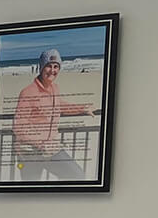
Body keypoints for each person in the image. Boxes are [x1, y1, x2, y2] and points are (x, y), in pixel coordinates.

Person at [9, 48, 97, 182]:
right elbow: (18, 127)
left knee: (77, 175)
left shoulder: (55, 88)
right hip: (30, 153)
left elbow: (60, 105)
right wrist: (40, 143)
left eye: (56, 66)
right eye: (48, 66)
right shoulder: (28, 92)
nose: (52, 70)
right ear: (41, 67)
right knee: (31, 189)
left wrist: (83, 108)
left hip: (51, 149)